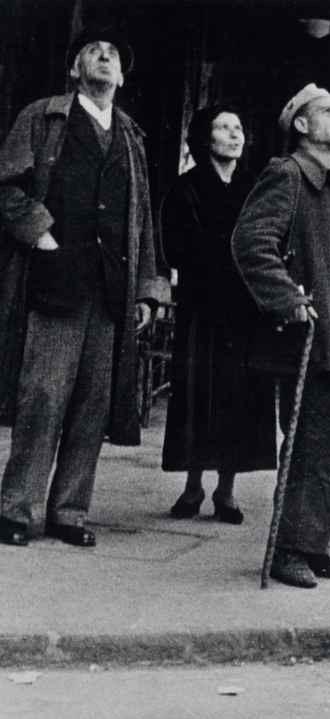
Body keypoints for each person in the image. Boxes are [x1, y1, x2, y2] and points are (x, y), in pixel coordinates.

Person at [0, 26, 167, 548]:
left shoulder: (132, 136)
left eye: (113, 54)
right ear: (76, 70)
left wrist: (146, 288)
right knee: (43, 396)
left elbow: (142, 221)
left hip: (111, 289)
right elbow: (7, 187)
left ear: (121, 76)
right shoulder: (44, 117)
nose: (104, 57)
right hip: (54, 280)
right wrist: (43, 237)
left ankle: (70, 510)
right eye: (93, 52)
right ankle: (16, 508)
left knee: (93, 403)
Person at [231, 84, 330, 589]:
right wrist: (287, 299)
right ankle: (291, 550)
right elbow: (251, 242)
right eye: (327, 112)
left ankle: (319, 545)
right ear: (300, 125)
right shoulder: (289, 174)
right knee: (314, 446)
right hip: (315, 336)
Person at [161, 104, 276, 524]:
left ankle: (227, 492)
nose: (233, 134)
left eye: (239, 126)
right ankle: (192, 487)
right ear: (205, 137)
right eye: (223, 127)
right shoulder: (186, 187)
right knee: (199, 394)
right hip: (203, 307)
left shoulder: (255, 188)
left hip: (246, 310)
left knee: (240, 397)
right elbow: (177, 245)